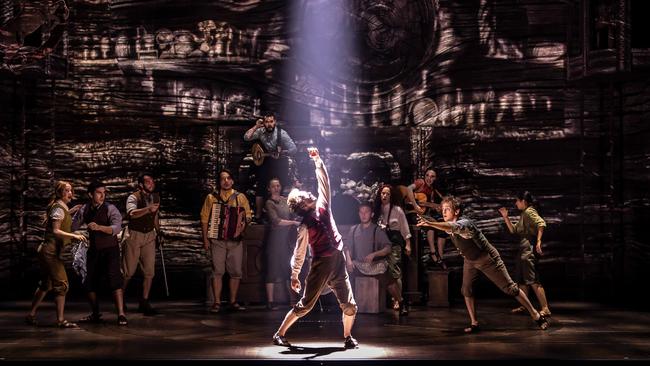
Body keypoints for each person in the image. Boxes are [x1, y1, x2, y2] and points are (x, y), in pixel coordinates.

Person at [417, 196, 550, 333]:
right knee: (466, 290)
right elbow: (439, 210)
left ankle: (536, 314)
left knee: (510, 289)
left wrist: (430, 223)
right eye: (443, 210)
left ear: (456, 212)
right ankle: (474, 323)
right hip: (470, 260)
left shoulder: (465, 224)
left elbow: (452, 227)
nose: (443, 212)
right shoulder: (448, 221)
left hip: (487, 259)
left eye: (447, 209)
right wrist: (421, 205)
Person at [271, 147, 358, 349]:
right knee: (306, 305)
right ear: (302, 205)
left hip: (338, 259)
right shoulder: (304, 226)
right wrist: (294, 275)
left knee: (350, 305)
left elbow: (324, 183)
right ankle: (279, 334)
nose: (309, 193)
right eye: (304, 195)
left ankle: (347, 337)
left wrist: (318, 161)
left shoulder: (323, 206)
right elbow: (299, 252)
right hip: (321, 264)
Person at [25, 181, 87, 328]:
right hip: (50, 252)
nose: (70, 193)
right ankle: (60, 320)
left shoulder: (62, 208)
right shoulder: (58, 208)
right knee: (62, 284)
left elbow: (61, 217)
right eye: (67, 191)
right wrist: (74, 236)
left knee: (46, 284)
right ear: (60, 193)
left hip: (48, 251)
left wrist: (70, 212)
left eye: (71, 190)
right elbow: (56, 230)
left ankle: (31, 314)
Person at [72, 181, 127, 326]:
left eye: (104, 193)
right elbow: (72, 225)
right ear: (90, 194)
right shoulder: (85, 209)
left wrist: (99, 227)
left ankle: (121, 314)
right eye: (99, 193)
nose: (102, 196)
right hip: (94, 250)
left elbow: (116, 228)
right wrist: (70, 212)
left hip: (110, 249)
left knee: (114, 279)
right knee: (89, 282)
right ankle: (95, 314)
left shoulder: (110, 208)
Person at [200, 168, 252, 313]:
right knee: (218, 271)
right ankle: (216, 302)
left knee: (235, 271)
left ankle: (233, 301)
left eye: (228, 178)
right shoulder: (212, 198)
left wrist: (242, 225)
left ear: (233, 180)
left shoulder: (240, 197)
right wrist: (205, 240)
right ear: (219, 182)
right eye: (223, 178)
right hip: (217, 240)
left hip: (235, 241)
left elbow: (248, 215)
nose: (226, 181)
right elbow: (204, 219)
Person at [344, 201, 405, 315]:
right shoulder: (353, 230)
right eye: (361, 212)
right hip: (358, 265)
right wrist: (348, 260)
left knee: (390, 282)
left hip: (374, 266)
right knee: (342, 277)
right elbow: (347, 248)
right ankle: (347, 306)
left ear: (371, 214)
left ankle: (401, 302)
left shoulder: (377, 230)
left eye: (366, 212)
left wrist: (374, 254)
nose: (363, 215)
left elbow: (387, 248)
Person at [499, 191, 551, 317]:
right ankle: (525, 305)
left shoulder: (529, 211)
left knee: (532, 280)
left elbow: (541, 223)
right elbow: (513, 230)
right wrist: (506, 217)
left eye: (517, 201)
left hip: (528, 250)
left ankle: (545, 308)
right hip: (523, 250)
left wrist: (538, 241)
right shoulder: (524, 214)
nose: (516, 203)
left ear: (524, 201)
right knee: (522, 280)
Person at [243, 112, 297, 222]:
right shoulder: (261, 131)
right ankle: (258, 216)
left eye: (271, 121)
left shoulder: (282, 134)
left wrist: (283, 152)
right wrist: (256, 126)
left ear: (275, 122)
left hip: (280, 163)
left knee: (278, 188)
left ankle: (280, 216)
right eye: (266, 122)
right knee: (261, 188)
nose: (269, 124)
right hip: (266, 161)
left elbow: (293, 149)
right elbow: (246, 137)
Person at [122, 172, 161, 316]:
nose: (151, 183)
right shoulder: (133, 197)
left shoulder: (155, 197)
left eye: (152, 181)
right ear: (141, 185)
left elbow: (155, 216)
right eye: (148, 182)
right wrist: (147, 209)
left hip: (149, 235)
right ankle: (119, 299)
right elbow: (131, 214)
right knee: (128, 271)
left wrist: (158, 232)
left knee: (149, 271)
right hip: (134, 235)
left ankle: (144, 302)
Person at [263, 178, 301, 310]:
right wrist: (293, 223)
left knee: (288, 270)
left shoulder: (285, 200)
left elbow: (294, 213)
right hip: (275, 241)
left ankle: (293, 300)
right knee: (272, 270)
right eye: (273, 186)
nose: (276, 188)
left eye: (278, 185)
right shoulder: (269, 203)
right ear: (269, 188)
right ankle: (271, 302)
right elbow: (276, 221)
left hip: (287, 241)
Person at [374, 184, 411, 315]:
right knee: (383, 272)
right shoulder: (376, 210)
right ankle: (395, 298)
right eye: (382, 193)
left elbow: (405, 228)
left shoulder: (397, 210)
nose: (384, 196)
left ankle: (399, 300)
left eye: (387, 194)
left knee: (395, 272)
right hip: (380, 244)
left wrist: (408, 244)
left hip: (393, 243)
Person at [401, 169, 447, 269]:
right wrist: (414, 204)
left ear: (435, 178)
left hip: (423, 214)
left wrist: (437, 208)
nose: (429, 178)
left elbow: (426, 206)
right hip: (411, 213)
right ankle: (433, 252)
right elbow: (409, 189)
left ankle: (440, 256)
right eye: (427, 175)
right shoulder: (420, 182)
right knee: (430, 222)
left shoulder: (433, 191)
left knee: (441, 224)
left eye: (432, 176)